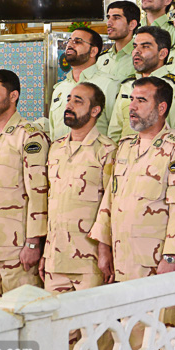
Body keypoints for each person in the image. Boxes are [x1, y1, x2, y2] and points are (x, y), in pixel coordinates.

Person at [90, 76, 175, 282]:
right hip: (120, 259)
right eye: (131, 99)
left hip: (153, 263)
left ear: (161, 108)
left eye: (141, 100)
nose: (132, 106)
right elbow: (110, 199)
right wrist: (103, 248)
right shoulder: (125, 146)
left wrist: (171, 256)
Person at [0, 70, 49, 308]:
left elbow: (39, 193)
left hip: (16, 251)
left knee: (23, 316)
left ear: (13, 96)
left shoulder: (29, 136)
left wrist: (33, 243)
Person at [40, 82, 116, 293]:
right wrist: (46, 253)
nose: (69, 105)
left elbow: (110, 205)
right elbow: (51, 203)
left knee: (93, 316)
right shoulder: (55, 148)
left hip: (90, 262)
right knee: (55, 315)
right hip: (55, 260)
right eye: (68, 100)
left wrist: (105, 250)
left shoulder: (107, 150)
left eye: (78, 101)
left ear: (95, 110)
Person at [108, 26, 175, 141]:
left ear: (162, 53)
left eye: (145, 46)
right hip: (126, 151)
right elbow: (114, 133)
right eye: (135, 46)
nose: (136, 51)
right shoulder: (128, 85)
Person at [48, 27, 119, 141]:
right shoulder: (59, 89)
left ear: (93, 51)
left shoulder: (109, 85)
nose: (70, 45)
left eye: (77, 41)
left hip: (95, 151)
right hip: (62, 151)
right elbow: (53, 134)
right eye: (69, 41)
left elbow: (116, 131)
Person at [98, 0, 140, 81]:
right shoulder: (101, 58)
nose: (108, 23)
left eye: (116, 18)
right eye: (108, 18)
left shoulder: (141, 56)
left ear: (132, 24)